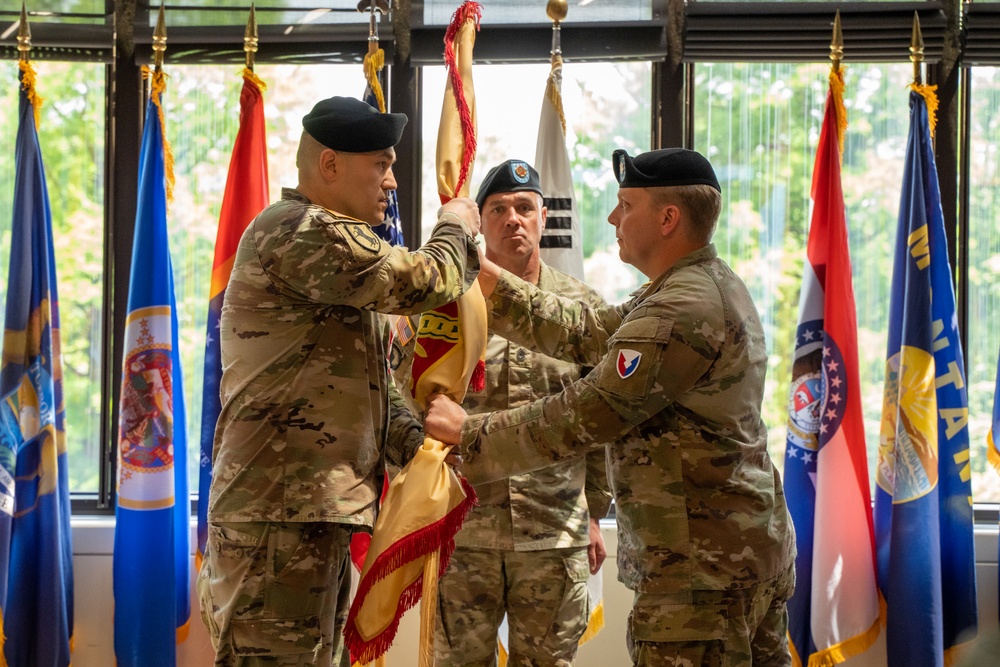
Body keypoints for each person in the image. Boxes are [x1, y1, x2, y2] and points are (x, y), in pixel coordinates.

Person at [424, 148, 796, 667]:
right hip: (726, 555)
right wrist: (485, 279)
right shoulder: (682, 288)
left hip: (703, 573)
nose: (613, 217)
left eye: (626, 204)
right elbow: (591, 331)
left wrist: (470, 432)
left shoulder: (680, 308)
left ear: (668, 219)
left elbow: (585, 413)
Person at [197, 95, 482, 666]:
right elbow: (428, 279)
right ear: (330, 166)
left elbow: (371, 389)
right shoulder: (300, 230)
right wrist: (456, 223)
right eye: (381, 164)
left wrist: (422, 446)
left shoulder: (338, 263)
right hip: (276, 518)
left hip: (313, 512)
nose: (393, 182)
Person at [391, 159, 612, 667]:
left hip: (553, 532)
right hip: (464, 529)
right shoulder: (440, 307)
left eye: (525, 208)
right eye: (498, 209)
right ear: (481, 223)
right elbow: (404, 403)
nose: (514, 219)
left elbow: (601, 422)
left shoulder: (582, 312)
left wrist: (595, 513)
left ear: (543, 216)